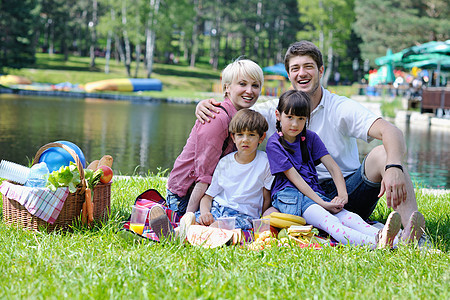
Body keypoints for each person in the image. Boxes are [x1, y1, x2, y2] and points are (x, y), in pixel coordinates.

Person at [195, 40, 425, 244]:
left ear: (320, 70)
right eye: (295, 68)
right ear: (289, 75)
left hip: (348, 191)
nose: (301, 73)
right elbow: (238, 117)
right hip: (301, 195)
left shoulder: (340, 107)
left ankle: (416, 235)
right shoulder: (279, 110)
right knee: (274, 213)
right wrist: (209, 105)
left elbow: (391, 131)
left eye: (308, 67)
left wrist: (394, 165)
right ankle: (377, 237)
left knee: (383, 155)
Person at [266, 89, 401, 248]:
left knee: (351, 217)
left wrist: (342, 195)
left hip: (313, 194)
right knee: (330, 221)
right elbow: (297, 180)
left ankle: (398, 241)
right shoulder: (274, 144)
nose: (295, 124)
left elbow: (333, 167)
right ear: (278, 115)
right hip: (290, 197)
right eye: (289, 117)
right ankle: (377, 244)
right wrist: (323, 203)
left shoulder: (310, 138)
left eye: (301, 118)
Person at [166, 58, 264, 217]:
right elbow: (204, 175)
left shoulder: (243, 118)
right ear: (227, 87)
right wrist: (188, 217)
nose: (249, 91)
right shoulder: (217, 118)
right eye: (242, 84)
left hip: (211, 192)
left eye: (255, 85)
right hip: (186, 195)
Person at [196, 108, 274, 230]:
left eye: (251, 135)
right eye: (240, 135)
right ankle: (174, 231)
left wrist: (261, 222)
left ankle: (203, 233)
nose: (245, 140)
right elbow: (208, 197)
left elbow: (266, 197)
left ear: (261, 137)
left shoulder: (266, 163)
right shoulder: (225, 162)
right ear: (233, 137)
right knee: (192, 220)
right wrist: (205, 212)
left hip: (244, 215)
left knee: (217, 227)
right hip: (218, 209)